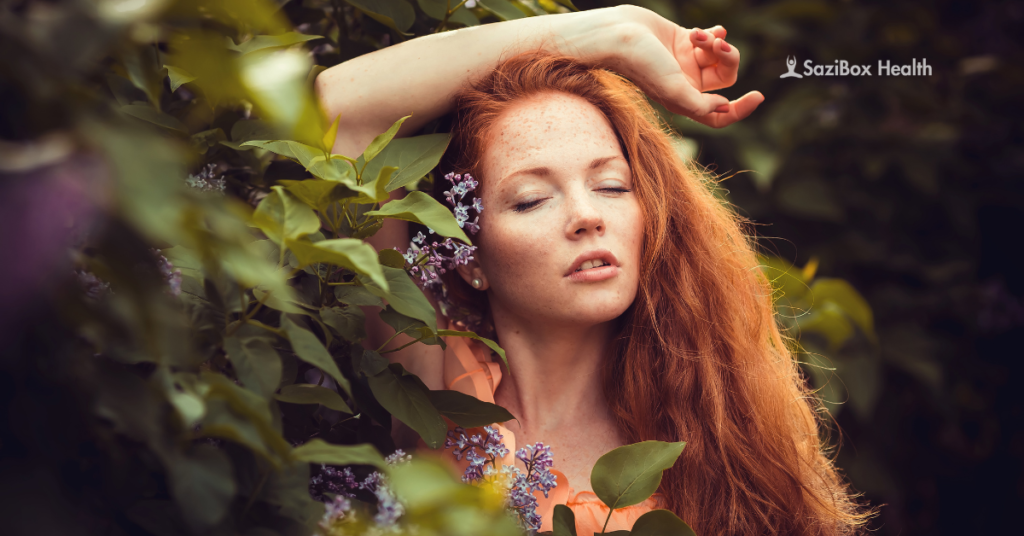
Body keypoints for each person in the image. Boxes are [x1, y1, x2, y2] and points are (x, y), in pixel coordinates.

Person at [316, 5, 871, 534]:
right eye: (531, 199)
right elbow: (342, 108)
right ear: (470, 259)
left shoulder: (716, 442)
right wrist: (610, 35)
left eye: (611, 186)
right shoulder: (432, 390)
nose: (586, 216)